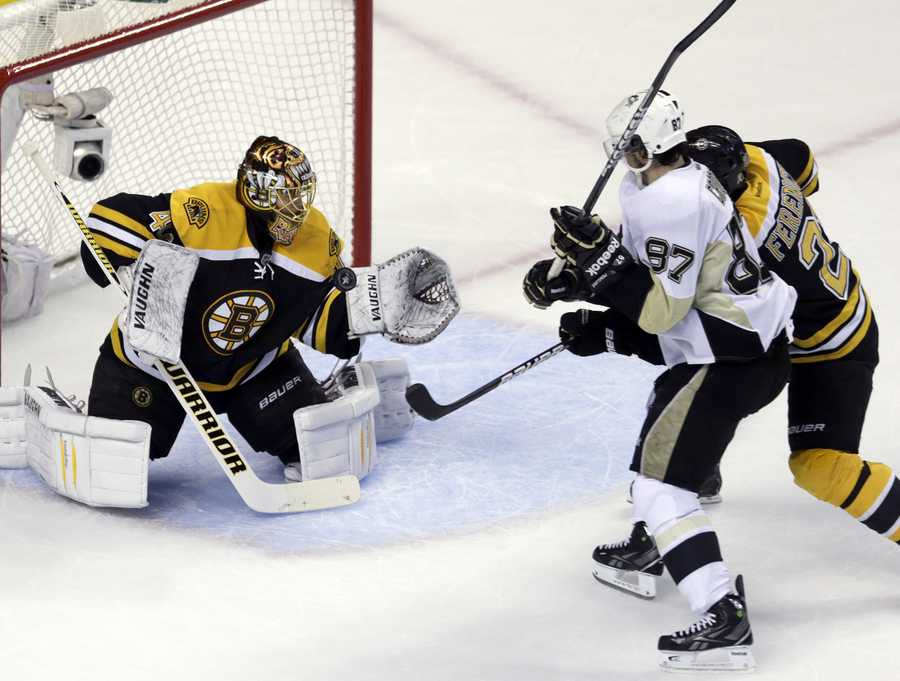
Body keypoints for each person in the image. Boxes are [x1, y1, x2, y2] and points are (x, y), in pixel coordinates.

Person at [523, 91, 796, 672]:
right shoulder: (656, 184)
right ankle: (655, 543)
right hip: (729, 343)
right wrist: (576, 277)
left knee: (659, 485)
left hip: (732, 357)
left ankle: (723, 613)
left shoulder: (676, 198)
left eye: (633, 147)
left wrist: (600, 273)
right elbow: (640, 266)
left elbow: (659, 315)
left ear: (655, 147)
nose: (624, 156)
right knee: (664, 410)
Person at [76, 135, 458, 488]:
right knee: (111, 463)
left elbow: (315, 318)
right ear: (257, 193)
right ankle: (77, 416)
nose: (297, 209)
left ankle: (331, 396)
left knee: (326, 458)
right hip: (154, 366)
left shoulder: (315, 240)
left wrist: (369, 312)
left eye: (301, 196)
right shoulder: (204, 212)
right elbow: (109, 219)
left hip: (255, 370)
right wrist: (123, 257)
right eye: (286, 197)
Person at [685, 125, 899, 545]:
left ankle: (691, 463)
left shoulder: (743, 237)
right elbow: (805, 160)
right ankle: (697, 468)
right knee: (698, 364)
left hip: (833, 343)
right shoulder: (759, 161)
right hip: (823, 308)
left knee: (818, 467)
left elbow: (669, 297)